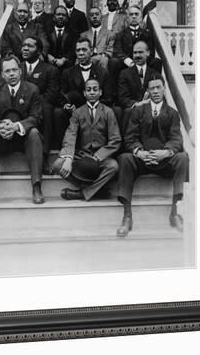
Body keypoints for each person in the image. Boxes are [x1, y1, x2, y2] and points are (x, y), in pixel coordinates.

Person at [116, 74, 189, 237]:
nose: (155, 91)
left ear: (164, 89)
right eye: (152, 88)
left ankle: (176, 212)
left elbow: (176, 138)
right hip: (143, 160)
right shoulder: (138, 111)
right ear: (147, 91)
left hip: (164, 160)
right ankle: (127, 216)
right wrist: (139, 152)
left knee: (183, 158)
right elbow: (130, 137)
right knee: (125, 159)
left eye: (158, 87)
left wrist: (166, 152)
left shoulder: (172, 113)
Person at [0, 55, 45, 204]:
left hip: (23, 139)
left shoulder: (32, 89)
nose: (12, 74)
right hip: (3, 139)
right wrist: (0, 126)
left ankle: (36, 186)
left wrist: (16, 126)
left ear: (20, 71)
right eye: (7, 71)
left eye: (15, 70)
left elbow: (36, 118)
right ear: (2, 74)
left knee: (34, 133)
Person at [52, 78, 121, 201]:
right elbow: (70, 134)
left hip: (101, 156)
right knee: (58, 165)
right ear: (84, 93)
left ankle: (82, 193)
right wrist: (68, 158)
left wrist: (99, 156)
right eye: (88, 90)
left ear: (100, 92)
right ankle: (95, 190)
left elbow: (115, 139)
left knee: (113, 166)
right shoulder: (77, 113)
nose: (92, 92)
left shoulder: (108, 112)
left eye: (95, 89)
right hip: (82, 155)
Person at [53, 37, 114, 148]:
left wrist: (92, 107)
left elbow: (108, 97)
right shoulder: (68, 72)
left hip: (96, 109)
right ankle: (65, 148)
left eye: (84, 50)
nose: (81, 53)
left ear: (91, 51)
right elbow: (60, 95)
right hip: (74, 111)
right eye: (78, 50)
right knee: (58, 112)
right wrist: (66, 105)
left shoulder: (102, 72)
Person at [21, 36, 60, 172]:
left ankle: (43, 155)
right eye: (24, 45)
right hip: (19, 106)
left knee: (47, 108)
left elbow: (52, 94)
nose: (25, 48)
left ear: (39, 51)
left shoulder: (50, 69)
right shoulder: (17, 69)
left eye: (30, 46)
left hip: (40, 106)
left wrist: (34, 105)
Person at [110, 4, 162, 78]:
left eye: (136, 14)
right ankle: (115, 89)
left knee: (157, 62)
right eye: (131, 14)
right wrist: (128, 61)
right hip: (126, 64)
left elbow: (151, 52)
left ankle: (154, 86)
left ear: (140, 17)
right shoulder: (120, 34)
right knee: (113, 62)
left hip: (143, 61)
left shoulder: (147, 34)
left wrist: (141, 60)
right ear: (127, 18)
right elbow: (118, 51)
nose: (133, 16)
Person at [47, 5, 78, 72]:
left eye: (63, 15)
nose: (61, 17)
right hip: (49, 64)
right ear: (54, 17)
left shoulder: (73, 32)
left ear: (67, 18)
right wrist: (48, 55)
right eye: (58, 14)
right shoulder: (47, 31)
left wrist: (64, 59)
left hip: (68, 65)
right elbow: (44, 46)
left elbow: (74, 48)